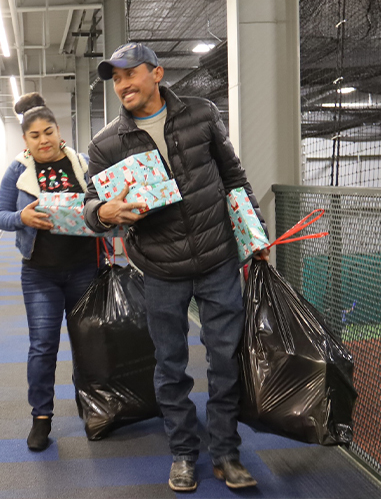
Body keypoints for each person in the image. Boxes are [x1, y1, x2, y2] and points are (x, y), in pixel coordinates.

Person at [83, 42, 269, 492]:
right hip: (160, 267)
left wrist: (255, 233)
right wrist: (105, 214)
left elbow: (233, 177)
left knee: (225, 360)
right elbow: (91, 205)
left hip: (217, 259)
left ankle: (226, 452)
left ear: (157, 74)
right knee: (170, 366)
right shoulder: (106, 143)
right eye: (116, 78)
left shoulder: (202, 114)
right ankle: (184, 453)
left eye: (131, 74)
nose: (123, 84)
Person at [0, 92, 99, 452]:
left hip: (85, 268)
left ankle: (93, 407)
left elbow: (100, 205)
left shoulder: (82, 164)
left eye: (48, 131)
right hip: (39, 274)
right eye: (35, 135)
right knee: (43, 347)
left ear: (59, 131)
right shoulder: (17, 171)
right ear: (25, 141)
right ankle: (41, 418)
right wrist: (21, 218)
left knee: (88, 344)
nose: (43, 140)